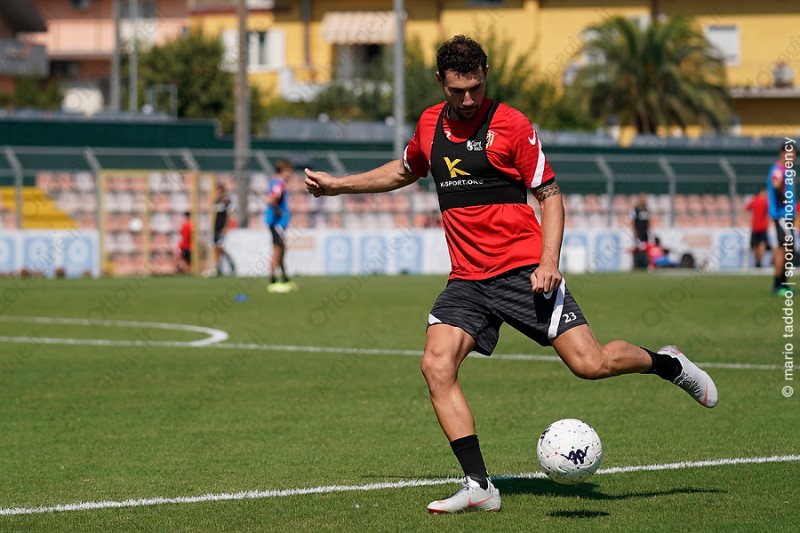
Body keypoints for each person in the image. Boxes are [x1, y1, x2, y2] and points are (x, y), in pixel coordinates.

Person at [304, 35, 718, 514]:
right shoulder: (429, 124)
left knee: (591, 364)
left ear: (485, 76)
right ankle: (479, 485)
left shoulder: (513, 125)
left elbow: (550, 196)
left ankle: (668, 364)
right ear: (440, 81)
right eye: (457, 90)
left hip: (524, 272)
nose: (468, 99)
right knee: (436, 365)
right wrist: (337, 185)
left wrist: (548, 262)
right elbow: (403, 171)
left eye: (475, 88)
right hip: (467, 280)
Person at [766, 144, 796, 295]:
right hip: (782, 215)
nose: (792, 157)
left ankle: (781, 284)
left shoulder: (785, 170)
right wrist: (784, 200)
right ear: (782, 153)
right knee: (785, 248)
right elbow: (776, 183)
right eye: (789, 153)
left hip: (784, 215)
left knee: (785, 248)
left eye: (794, 154)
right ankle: (779, 284)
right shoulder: (779, 169)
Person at [266, 159, 297, 293]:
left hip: (278, 223)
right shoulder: (279, 184)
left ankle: (285, 279)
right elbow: (272, 200)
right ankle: (273, 281)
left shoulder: (276, 183)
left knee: (282, 250)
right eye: (289, 172)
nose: (291, 175)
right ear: (283, 171)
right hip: (277, 223)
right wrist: (278, 212)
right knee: (277, 251)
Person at [213, 183, 237, 276]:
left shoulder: (227, 202)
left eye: (220, 191)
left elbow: (228, 215)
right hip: (216, 227)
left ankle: (220, 267)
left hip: (222, 227)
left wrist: (226, 227)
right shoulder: (216, 201)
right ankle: (219, 267)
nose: (218, 193)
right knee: (216, 247)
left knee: (219, 247)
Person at [746, 186, 770, 268]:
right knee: (761, 244)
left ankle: (757, 262)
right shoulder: (766, 201)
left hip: (755, 227)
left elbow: (747, 208)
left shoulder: (754, 200)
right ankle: (760, 261)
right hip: (763, 227)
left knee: (755, 245)